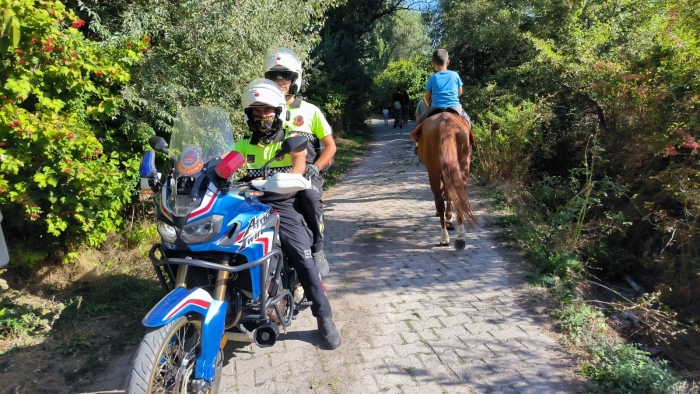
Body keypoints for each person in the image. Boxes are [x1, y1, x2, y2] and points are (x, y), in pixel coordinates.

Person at [232, 79, 341, 350]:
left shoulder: (293, 140)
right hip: (251, 206)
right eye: (255, 113)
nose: (262, 117)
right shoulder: (244, 145)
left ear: (279, 112)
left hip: (283, 204)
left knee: (302, 257)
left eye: (267, 111)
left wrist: (278, 182)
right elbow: (223, 166)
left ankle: (324, 315)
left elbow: (298, 166)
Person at [263, 48, 336, 277]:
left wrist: (316, 167)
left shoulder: (310, 111)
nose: (279, 81)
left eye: (285, 76)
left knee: (310, 197)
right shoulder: (262, 110)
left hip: (305, 176)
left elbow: (331, 146)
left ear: (295, 79)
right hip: (269, 177)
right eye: (273, 77)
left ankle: (317, 249)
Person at [415, 49, 471, 126]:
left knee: (419, 122)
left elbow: (427, 98)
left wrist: (430, 103)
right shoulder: (455, 75)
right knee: (467, 121)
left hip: (435, 107)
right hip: (454, 106)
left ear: (433, 64)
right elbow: (460, 92)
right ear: (448, 62)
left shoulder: (432, 78)